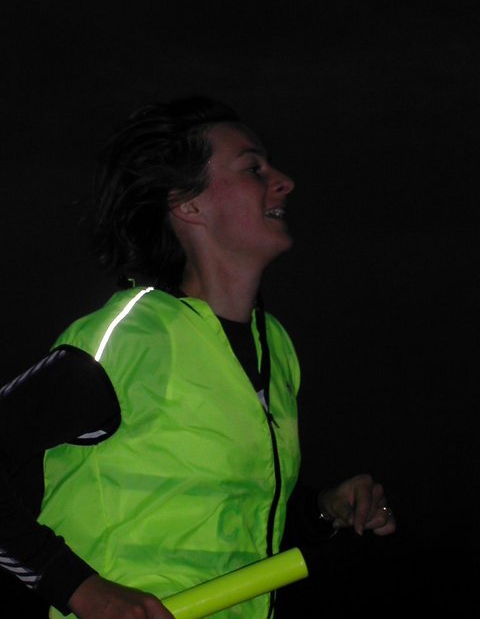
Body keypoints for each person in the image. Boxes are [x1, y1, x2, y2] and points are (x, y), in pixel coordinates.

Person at [0, 95, 396, 619]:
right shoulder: (131, 337)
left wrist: (323, 510)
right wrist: (82, 589)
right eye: (253, 168)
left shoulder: (275, 346)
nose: (284, 182)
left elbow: (233, 525)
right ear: (188, 206)